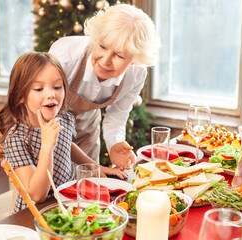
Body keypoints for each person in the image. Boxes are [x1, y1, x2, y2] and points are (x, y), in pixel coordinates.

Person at [0, 52, 127, 213]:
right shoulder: (16, 140)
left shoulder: (64, 118)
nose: (51, 94)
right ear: (19, 96)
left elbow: (66, 144)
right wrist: (47, 146)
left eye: (57, 87)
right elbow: (38, 195)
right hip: (37, 213)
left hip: (68, 199)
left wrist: (97, 166)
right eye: (38, 88)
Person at [48, 3, 160, 170]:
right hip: (44, 128)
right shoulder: (65, 56)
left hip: (87, 128)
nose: (105, 60)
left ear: (134, 59)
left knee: (85, 186)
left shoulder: (136, 74)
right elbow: (34, 106)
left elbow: (116, 117)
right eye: (102, 46)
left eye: (119, 55)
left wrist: (115, 144)